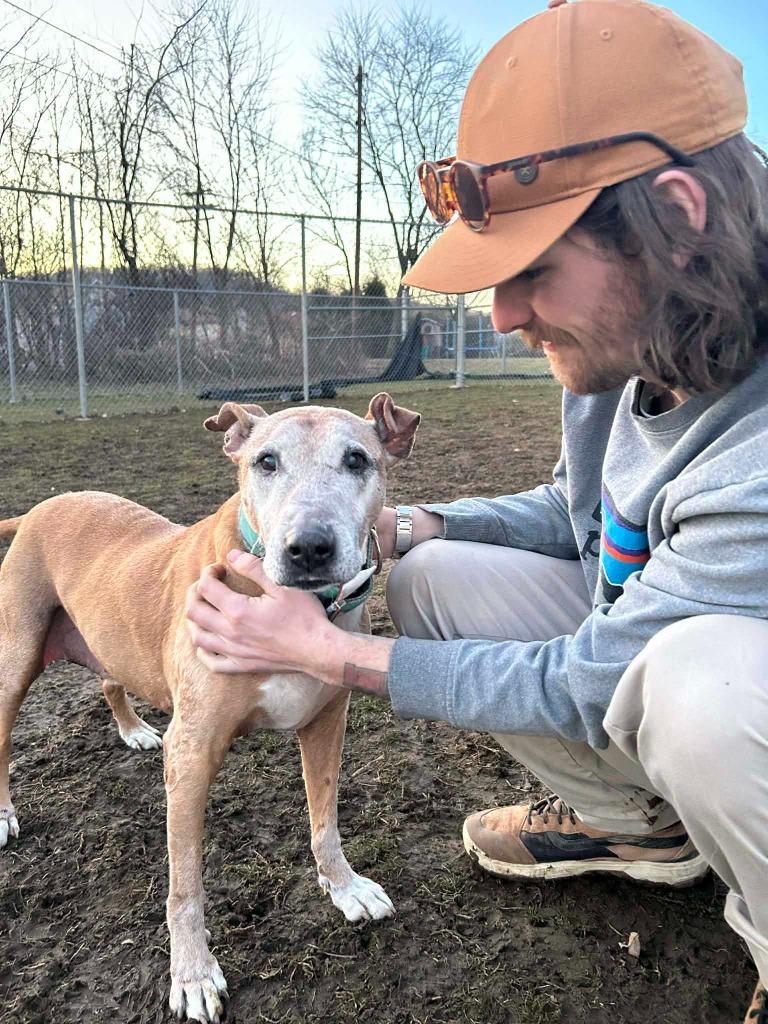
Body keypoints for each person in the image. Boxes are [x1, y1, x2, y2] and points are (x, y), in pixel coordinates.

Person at [185, 1, 768, 1018]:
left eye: (533, 270)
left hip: (724, 679)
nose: (500, 314)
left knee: (697, 685)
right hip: (651, 636)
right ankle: (629, 821)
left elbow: (586, 682)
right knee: (425, 572)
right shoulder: (632, 341)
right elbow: (576, 512)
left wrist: (331, 655)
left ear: (677, 219)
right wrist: (422, 523)